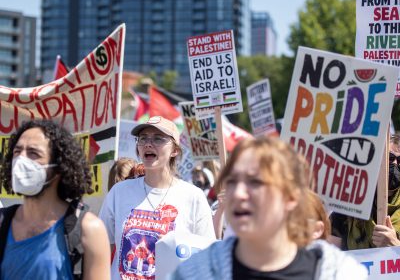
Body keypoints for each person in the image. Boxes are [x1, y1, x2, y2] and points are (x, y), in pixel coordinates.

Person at [172, 137, 367, 279]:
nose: (239, 193)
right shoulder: (193, 274)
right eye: (231, 181)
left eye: (255, 182)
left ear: (291, 197)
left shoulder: (340, 274)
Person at [99, 116, 215, 280]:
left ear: (174, 150)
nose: (148, 143)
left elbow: (206, 259)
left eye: (158, 139)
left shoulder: (194, 197)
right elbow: (100, 251)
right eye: (143, 138)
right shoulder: (119, 192)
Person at [0, 119, 110, 279]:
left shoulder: (89, 230)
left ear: (59, 167)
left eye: (33, 153)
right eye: (17, 152)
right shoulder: (2, 222)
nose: (21, 160)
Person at [330, 134, 400, 250]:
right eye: (390, 158)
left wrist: (395, 244)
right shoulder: (350, 205)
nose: (395, 164)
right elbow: (329, 256)